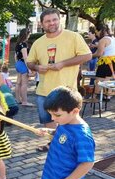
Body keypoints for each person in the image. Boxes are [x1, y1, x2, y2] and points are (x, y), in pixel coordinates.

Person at [27, 8, 91, 152]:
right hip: (43, 90)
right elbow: (29, 63)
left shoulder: (73, 37)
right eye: (48, 21)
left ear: (59, 20)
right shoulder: (38, 42)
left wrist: (62, 64)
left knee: (69, 121)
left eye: (54, 19)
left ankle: (71, 148)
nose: (52, 23)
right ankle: (53, 145)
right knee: (48, 121)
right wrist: (37, 67)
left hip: (66, 91)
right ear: (42, 24)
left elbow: (87, 56)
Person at [36, 86, 95, 179]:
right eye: (51, 114)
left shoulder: (81, 135)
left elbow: (87, 163)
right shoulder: (65, 123)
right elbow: (59, 134)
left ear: (75, 111)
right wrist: (48, 132)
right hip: (56, 177)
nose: (53, 119)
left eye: (57, 115)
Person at [92, 24, 115, 93]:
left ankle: (95, 98)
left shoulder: (103, 40)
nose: (97, 34)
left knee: (98, 81)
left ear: (100, 31)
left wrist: (90, 56)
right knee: (108, 81)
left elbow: (99, 53)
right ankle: (107, 96)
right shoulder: (113, 38)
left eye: (97, 32)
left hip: (105, 62)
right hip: (113, 62)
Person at [15, 28, 33, 106]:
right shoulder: (24, 44)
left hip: (18, 63)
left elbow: (15, 56)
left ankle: (18, 99)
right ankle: (25, 101)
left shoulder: (18, 44)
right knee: (24, 84)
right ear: (27, 34)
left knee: (18, 83)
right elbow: (26, 58)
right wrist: (29, 69)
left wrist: (17, 64)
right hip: (22, 64)